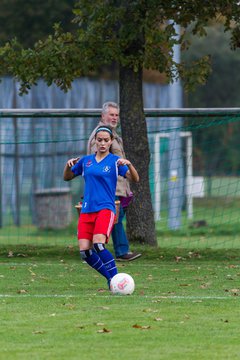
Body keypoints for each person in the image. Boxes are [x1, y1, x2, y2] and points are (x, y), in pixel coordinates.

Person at [63, 125, 139, 288]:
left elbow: (135, 178)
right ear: (95, 141)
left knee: (98, 244)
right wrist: (67, 166)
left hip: (105, 208)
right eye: (99, 140)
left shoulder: (115, 161)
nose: (102, 143)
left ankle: (117, 280)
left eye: (106, 140)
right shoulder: (86, 161)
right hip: (86, 210)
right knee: (85, 252)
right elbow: (67, 177)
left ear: (111, 141)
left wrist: (130, 165)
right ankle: (111, 280)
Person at [87, 101, 142, 261]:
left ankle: (95, 247)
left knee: (113, 217)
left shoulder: (112, 135)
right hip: (109, 187)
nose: (114, 118)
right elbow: (95, 161)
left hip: (119, 185)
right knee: (114, 217)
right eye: (111, 114)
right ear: (103, 116)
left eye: (116, 115)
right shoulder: (100, 136)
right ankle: (121, 251)